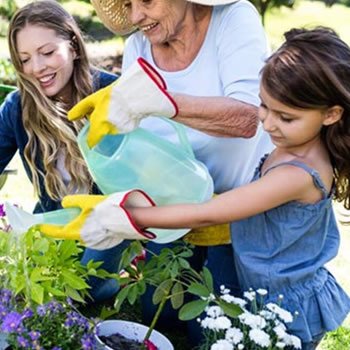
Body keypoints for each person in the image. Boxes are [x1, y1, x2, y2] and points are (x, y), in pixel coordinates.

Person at [41, 26, 350, 349]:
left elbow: (207, 214)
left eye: (285, 117)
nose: (268, 123)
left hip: (289, 306)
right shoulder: (293, 144)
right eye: (264, 106)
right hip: (264, 288)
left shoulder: (298, 174)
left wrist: (130, 216)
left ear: (331, 114)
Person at [0, 0, 128, 302]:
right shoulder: (18, 107)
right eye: (25, 59)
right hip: (54, 222)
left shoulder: (112, 94)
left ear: (73, 45)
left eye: (47, 53)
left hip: (107, 224)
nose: (38, 68)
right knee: (29, 290)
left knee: (82, 293)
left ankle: (116, 278)